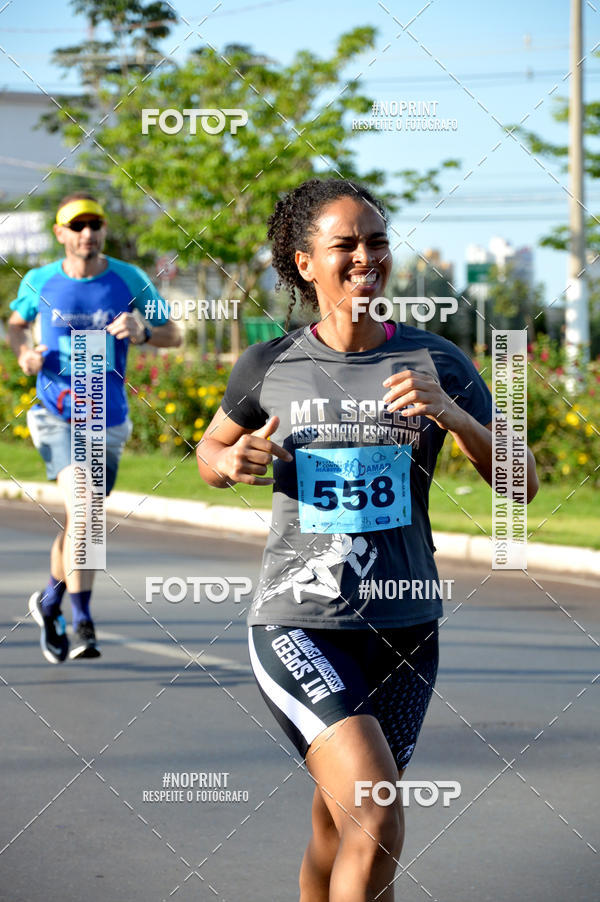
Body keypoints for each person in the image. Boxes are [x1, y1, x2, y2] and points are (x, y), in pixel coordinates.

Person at [196, 178, 539, 901]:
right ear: (302, 263)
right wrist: (231, 462)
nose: (366, 258)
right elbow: (211, 452)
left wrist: (454, 414)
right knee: (376, 808)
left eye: (377, 242)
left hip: (406, 628)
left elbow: (524, 483)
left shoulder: (437, 362)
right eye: (344, 245)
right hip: (299, 623)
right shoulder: (268, 365)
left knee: (340, 822)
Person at [7, 192, 181, 663]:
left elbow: (174, 334)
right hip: (56, 412)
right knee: (86, 511)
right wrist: (24, 352)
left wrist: (143, 332)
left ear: (103, 231)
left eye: (94, 225)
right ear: (61, 234)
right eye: (76, 226)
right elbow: (16, 324)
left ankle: (49, 600)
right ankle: (83, 621)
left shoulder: (129, 278)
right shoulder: (41, 280)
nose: (87, 233)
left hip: (107, 417)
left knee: (82, 521)